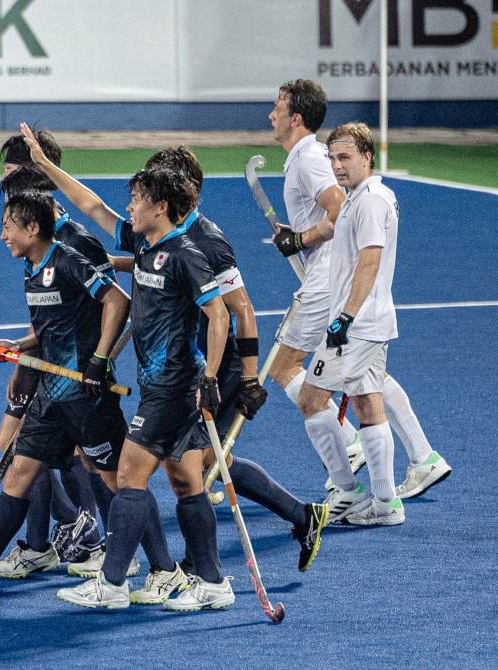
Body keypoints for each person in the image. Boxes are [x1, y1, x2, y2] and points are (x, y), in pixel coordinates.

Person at [22, 131, 330, 580]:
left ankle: (207, 564)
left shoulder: (206, 241)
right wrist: (48, 168)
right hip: (177, 360)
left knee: (195, 464)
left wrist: (246, 379)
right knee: (199, 463)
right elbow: (97, 211)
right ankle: (280, 527)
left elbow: (241, 311)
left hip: (209, 364)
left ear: (174, 194)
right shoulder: (155, 234)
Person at [0, 191, 131, 601]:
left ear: (33, 228)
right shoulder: (30, 269)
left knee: (116, 480)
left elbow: (117, 301)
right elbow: (53, 327)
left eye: (8, 226)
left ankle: (147, 569)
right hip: (50, 395)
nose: (2, 235)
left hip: (85, 394)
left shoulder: (68, 259)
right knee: (19, 471)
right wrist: (19, 347)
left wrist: (100, 358)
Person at [55, 166, 235, 611]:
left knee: (130, 474)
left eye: (137, 199)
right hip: (160, 384)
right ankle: (212, 581)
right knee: (185, 480)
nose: (130, 206)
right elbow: (93, 206)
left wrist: (211, 375)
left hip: (174, 387)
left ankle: (112, 583)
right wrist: (44, 166)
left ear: (161, 207)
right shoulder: (143, 244)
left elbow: (220, 314)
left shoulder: (186, 254)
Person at [268, 80, 450, 508]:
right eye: (335, 158)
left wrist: (303, 240)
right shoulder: (333, 173)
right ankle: (416, 464)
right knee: (368, 383)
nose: (270, 115)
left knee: (291, 373)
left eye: (276, 108)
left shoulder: (320, 167)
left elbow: (345, 227)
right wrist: (298, 237)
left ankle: (350, 469)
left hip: (340, 295)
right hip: (342, 293)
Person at [296, 122, 409, 525]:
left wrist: (345, 317)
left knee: (310, 399)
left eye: (345, 158)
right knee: (367, 403)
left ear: (367, 156)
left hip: (357, 325)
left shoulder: (370, 201)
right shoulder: (358, 198)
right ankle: (386, 503)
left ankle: (348, 490)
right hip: (367, 322)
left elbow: (371, 259)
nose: (337, 166)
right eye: (332, 159)